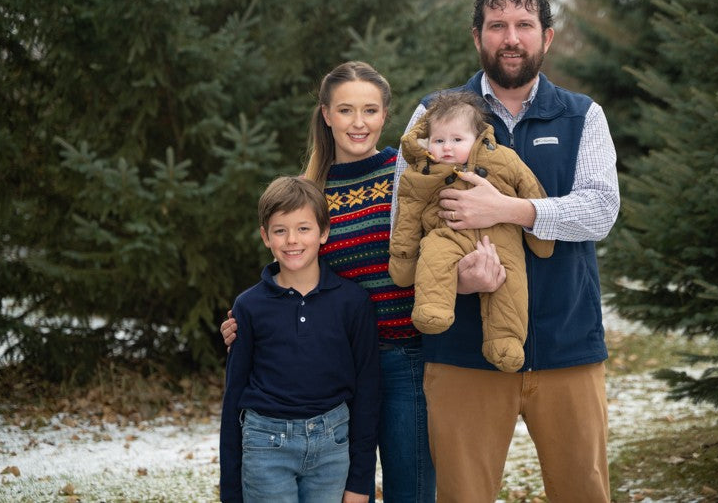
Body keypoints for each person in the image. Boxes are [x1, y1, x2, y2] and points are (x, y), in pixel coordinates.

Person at [392, 0, 620, 502]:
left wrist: (510, 210)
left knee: (583, 493)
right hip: (462, 354)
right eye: (497, 26)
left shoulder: (582, 115)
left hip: (567, 348)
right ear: (477, 37)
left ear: (547, 36)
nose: (511, 38)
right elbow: (404, 218)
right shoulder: (434, 115)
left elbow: (601, 210)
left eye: (524, 25)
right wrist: (455, 279)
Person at [220, 61, 437, 502]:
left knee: (410, 491)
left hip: (403, 359)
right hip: (329, 368)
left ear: (385, 115)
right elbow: (291, 266)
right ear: (326, 115)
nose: (359, 123)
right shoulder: (311, 189)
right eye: (345, 110)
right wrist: (246, 322)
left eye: (370, 110)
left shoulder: (405, 177)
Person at [219, 176, 379, 503]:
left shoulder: (352, 302)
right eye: (280, 230)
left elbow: (368, 391)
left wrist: (360, 483)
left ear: (324, 232)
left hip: (332, 447)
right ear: (265, 236)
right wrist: (231, 490)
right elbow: (233, 394)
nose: (292, 240)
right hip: (265, 446)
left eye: (303, 228)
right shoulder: (249, 306)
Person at [388, 91, 554, 373]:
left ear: (476, 137)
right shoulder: (423, 173)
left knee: (511, 282)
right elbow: (407, 216)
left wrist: (540, 238)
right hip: (448, 233)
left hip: (500, 238)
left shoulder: (503, 159)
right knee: (434, 255)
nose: (447, 148)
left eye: (457, 140)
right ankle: (433, 308)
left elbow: (530, 190)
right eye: (439, 141)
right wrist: (403, 258)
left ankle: (505, 340)